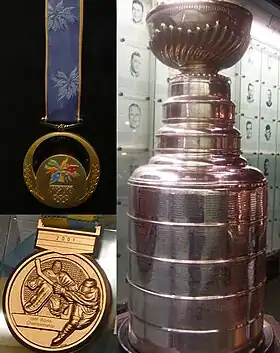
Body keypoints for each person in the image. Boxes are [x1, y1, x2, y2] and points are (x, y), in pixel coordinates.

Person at [51, 278, 100, 347]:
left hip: (87, 315)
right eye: (82, 285)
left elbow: (81, 298)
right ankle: (61, 336)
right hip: (79, 306)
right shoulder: (80, 290)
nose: (82, 287)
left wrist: (63, 291)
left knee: (77, 324)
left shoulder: (94, 294)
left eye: (85, 286)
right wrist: (62, 291)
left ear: (91, 289)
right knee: (74, 321)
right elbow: (73, 296)